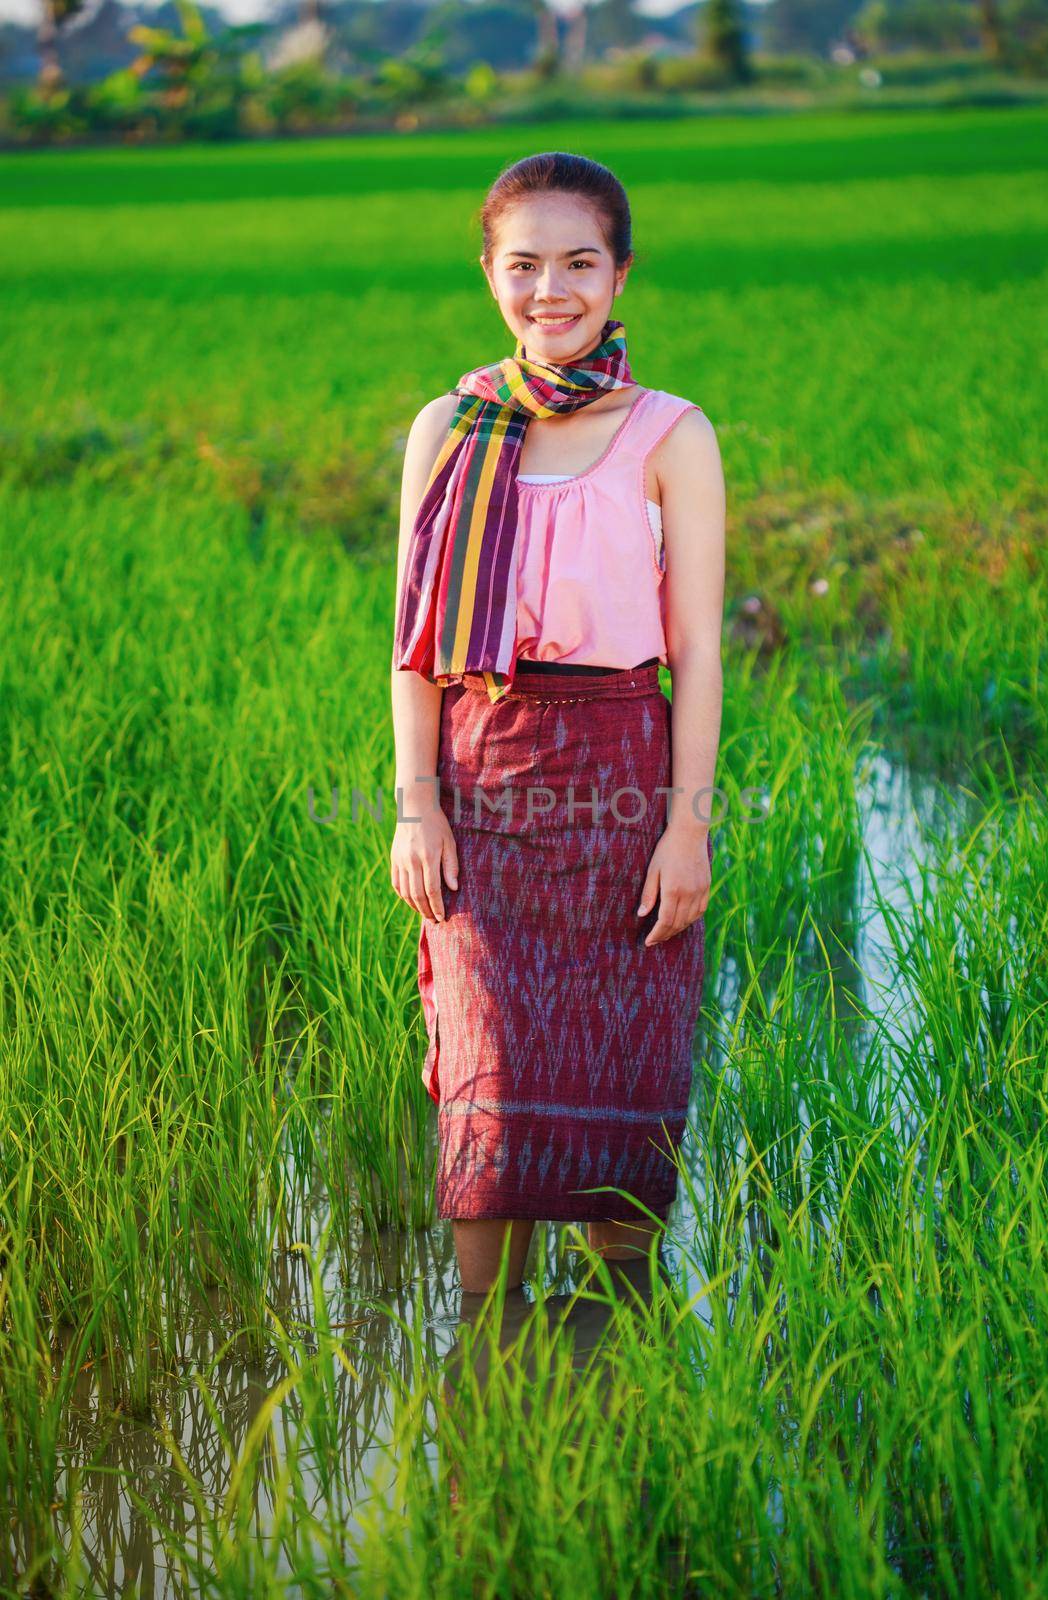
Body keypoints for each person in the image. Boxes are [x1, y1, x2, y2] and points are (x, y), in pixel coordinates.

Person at [390, 151, 725, 1297]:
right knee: (485, 1072)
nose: (552, 290)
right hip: (479, 778)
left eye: (578, 262)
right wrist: (415, 807)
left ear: (619, 273)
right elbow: (412, 642)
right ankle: (487, 1365)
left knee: (626, 1078)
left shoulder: (670, 432)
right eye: (523, 264)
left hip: (621, 777)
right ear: (488, 273)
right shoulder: (450, 425)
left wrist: (685, 830)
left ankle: (621, 1358)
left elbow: (696, 651)